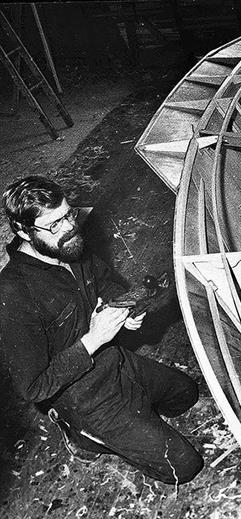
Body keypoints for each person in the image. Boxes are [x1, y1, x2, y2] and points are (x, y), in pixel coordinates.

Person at [0, 175, 203, 485]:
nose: (69, 227)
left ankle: (135, 421)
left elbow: (104, 280)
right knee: (185, 467)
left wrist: (122, 308)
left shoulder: (67, 247)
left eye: (69, 214)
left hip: (115, 360)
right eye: (54, 224)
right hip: (83, 396)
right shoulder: (14, 295)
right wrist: (93, 339)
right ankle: (82, 435)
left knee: (186, 395)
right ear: (22, 231)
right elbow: (33, 387)